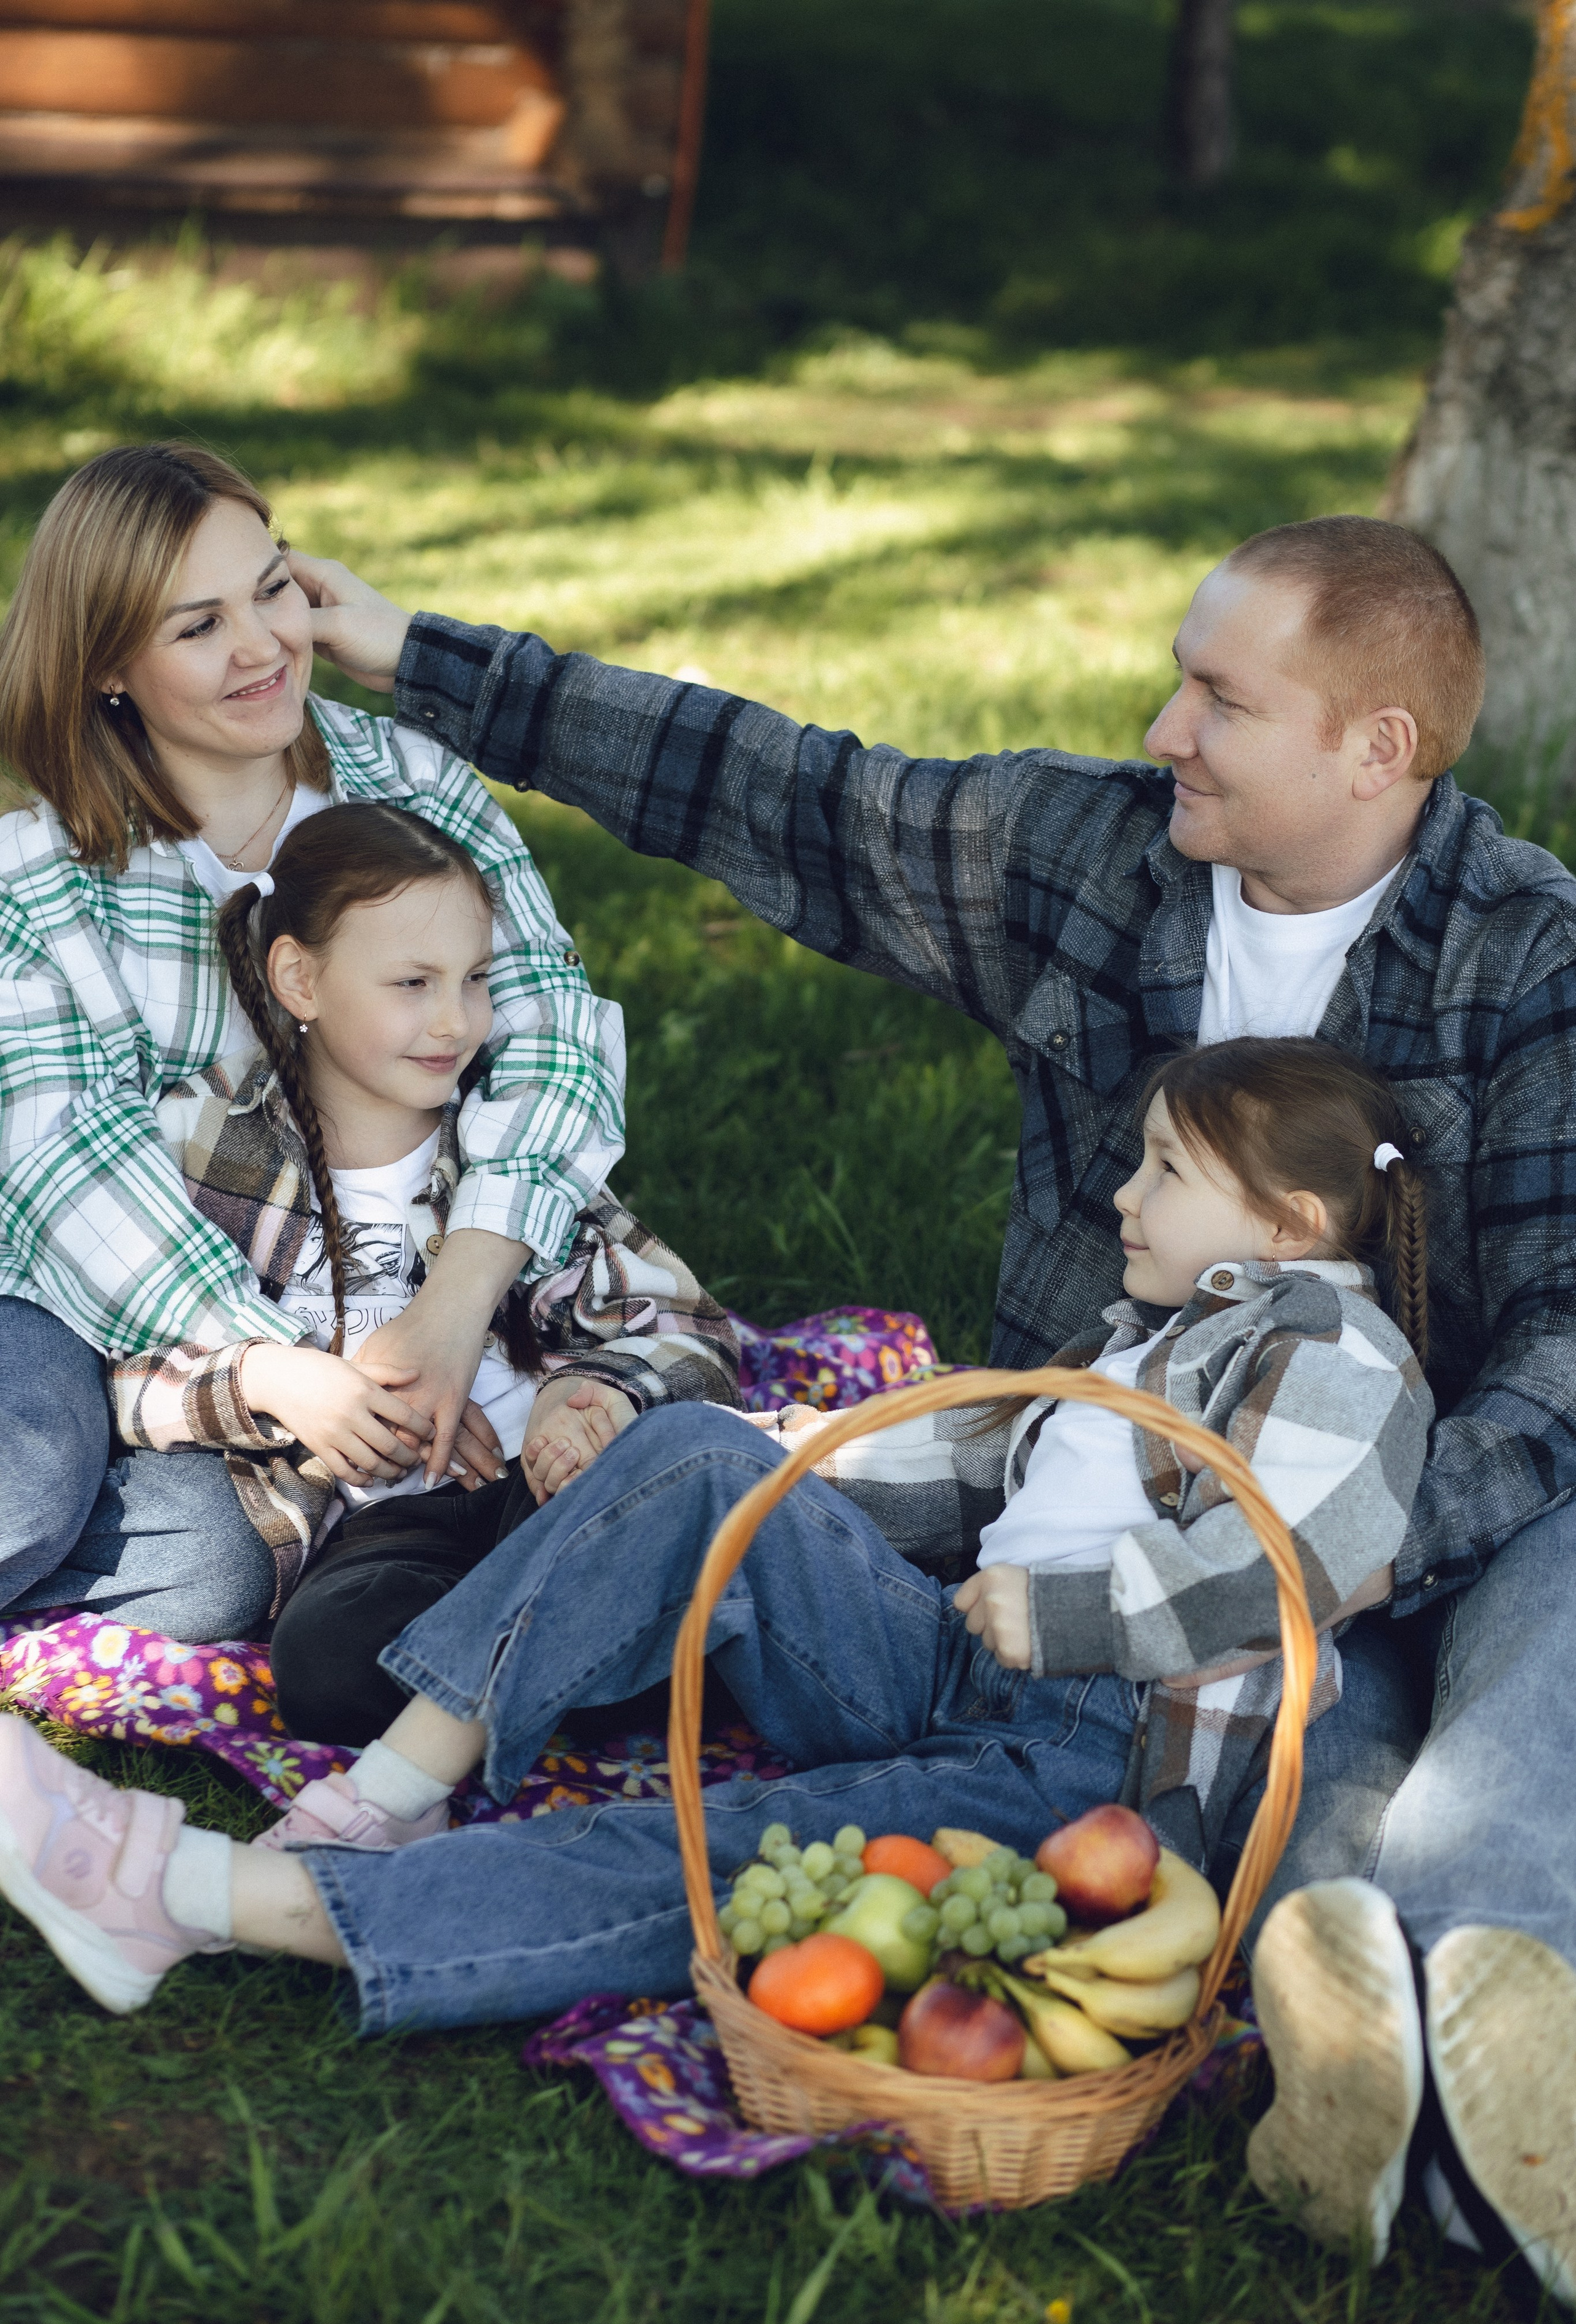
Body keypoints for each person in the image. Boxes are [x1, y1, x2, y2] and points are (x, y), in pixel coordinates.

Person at [271, 513, 1576, 2294]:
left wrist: (1341, 1554)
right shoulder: (1101, 857)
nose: (1161, 728)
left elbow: (1566, 1341)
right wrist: (414, 653)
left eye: (1218, 698)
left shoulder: (1531, 956)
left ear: (1376, 750)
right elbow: (777, 785)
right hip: (1150, 1536)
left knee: (1473, 1750)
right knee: (1290, 1819)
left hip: (1466, 1491)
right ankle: (1377, 2086)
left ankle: (1502, 2059)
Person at [0, 1034, 1429, 2025]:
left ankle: (191, 1889)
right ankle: (391, 1788)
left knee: (703, 1856)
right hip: (951, 1670)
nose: (1122, 1195)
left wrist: (1065, 1619)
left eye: (1165, 1171)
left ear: (1288, 1223)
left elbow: (1289, 1566)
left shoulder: (1332, 1354)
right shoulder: (1153, 1337)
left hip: (1094, 1772)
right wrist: (769, 1466)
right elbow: (962, 1465)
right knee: (686, 1450)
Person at [0, 441, 630, 1640]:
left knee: (221, 1569)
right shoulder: (38, 878)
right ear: (108, 671)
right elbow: (61, 1166)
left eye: (273, 587)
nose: (262, 646)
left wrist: (455, 1306)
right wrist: (275, 1363)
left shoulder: (410, 793)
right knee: (27, 1474)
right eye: (198, 625)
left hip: (343, 1282)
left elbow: (550, 1034)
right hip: (67, 1286)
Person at [108, 801, 737, 1702]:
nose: (457, 1022)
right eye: (413, 984)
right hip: (382, 1529)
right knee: (324, 1661)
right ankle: (590, 1664)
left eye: (474, 979)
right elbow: (126, 1366)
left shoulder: (504, 1140)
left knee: (655, 1530)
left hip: (542, 1488)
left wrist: (589, 1391)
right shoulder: (207, 1144)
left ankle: (534, 1666)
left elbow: (683, 1322)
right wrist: (277, 1385)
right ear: (300, 980)